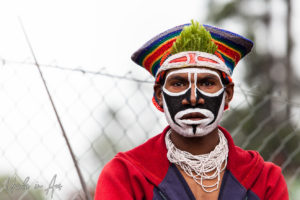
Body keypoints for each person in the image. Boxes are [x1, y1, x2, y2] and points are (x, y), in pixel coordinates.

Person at [94, 21, 288, 200]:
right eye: (178, 83)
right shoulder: (125, 175)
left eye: (207, 82)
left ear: (228, 93)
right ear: (159, 95)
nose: (193, 98)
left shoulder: (265, 180)